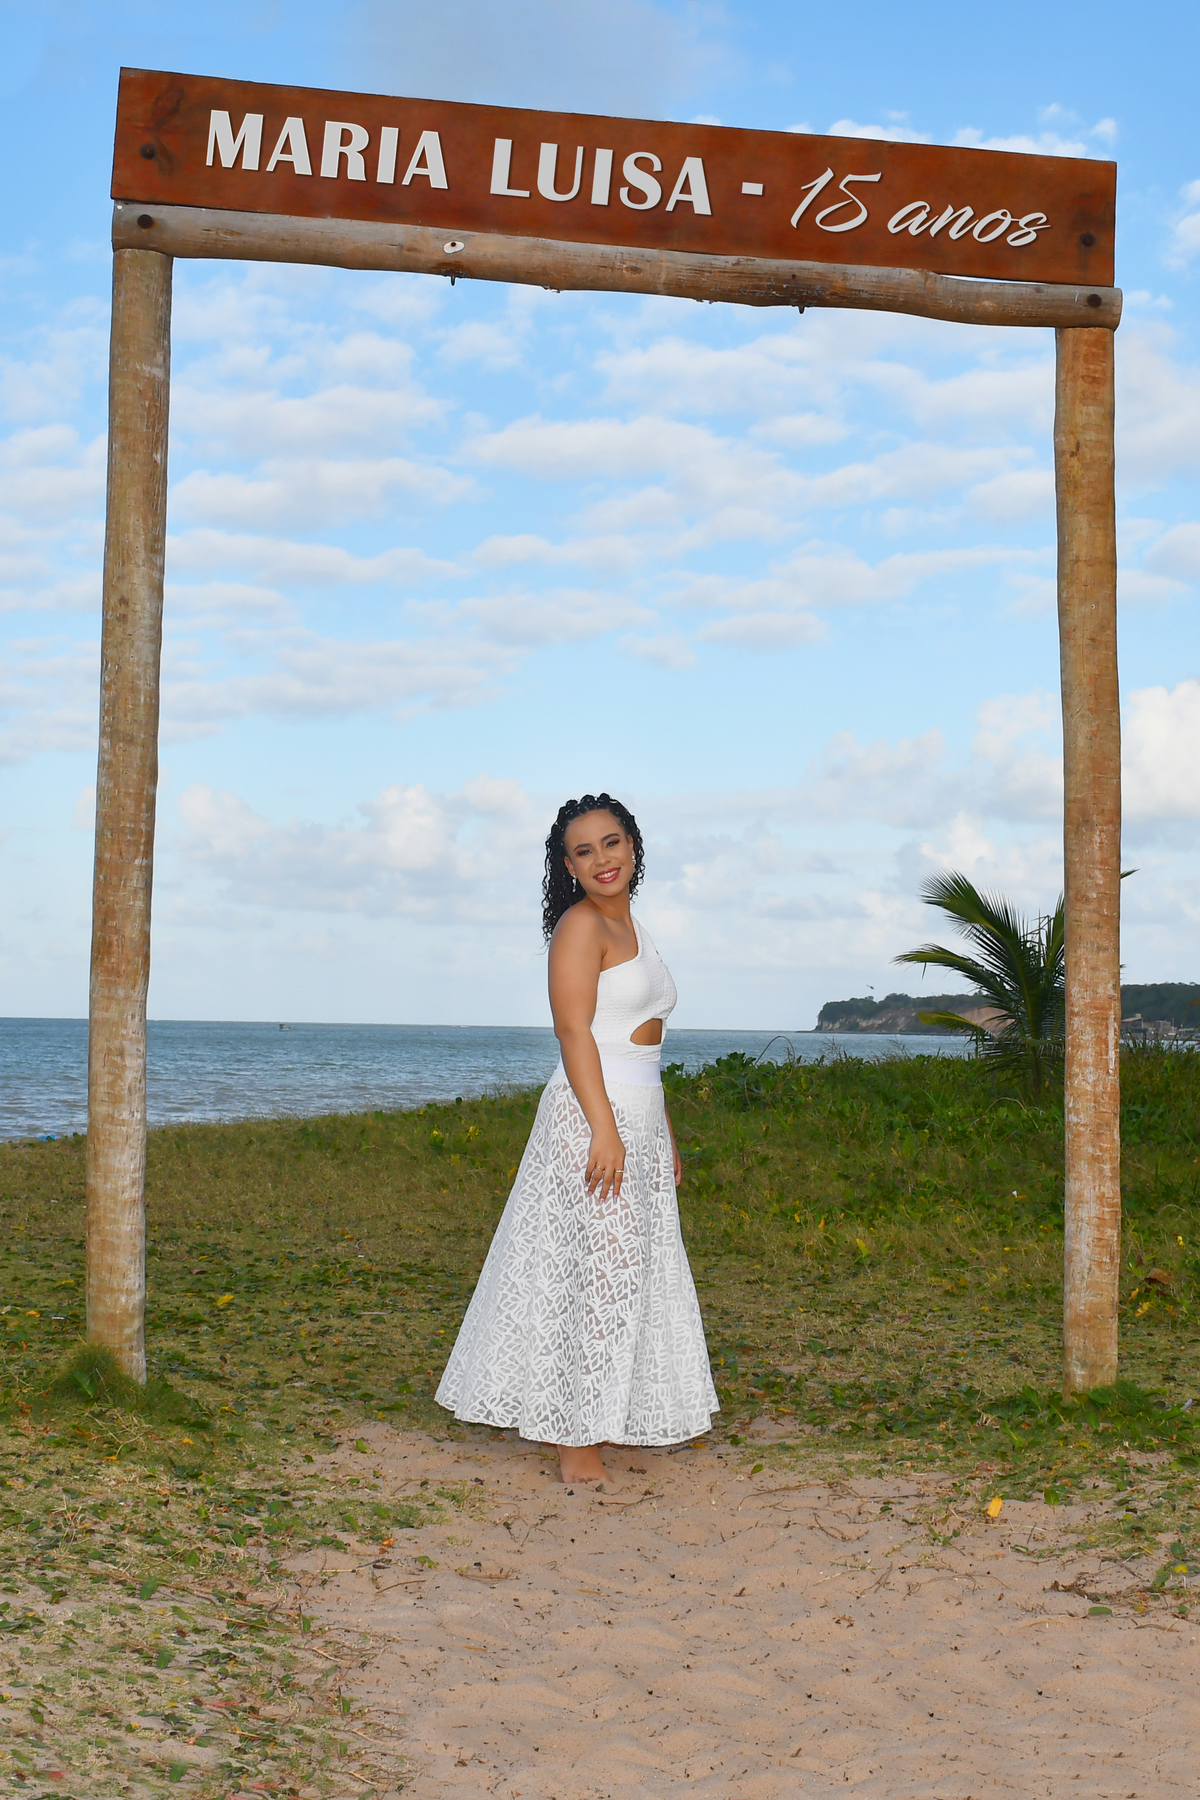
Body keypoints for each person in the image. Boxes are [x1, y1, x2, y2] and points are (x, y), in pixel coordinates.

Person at [435, 793, 718, 1485]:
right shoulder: (581, 925)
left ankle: (604, 1414)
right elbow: (573, 1032)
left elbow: (646, 1050)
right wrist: (604, 1130)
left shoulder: (634, 926)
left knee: (626, 1274)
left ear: (633, 846)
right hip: (594, 1117)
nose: (601, 859)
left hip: (637, 1113)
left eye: (611, 842)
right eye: (583, 851)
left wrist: (663, 1135)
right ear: (567, 866)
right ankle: (574, 1440)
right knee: (590, 1275)